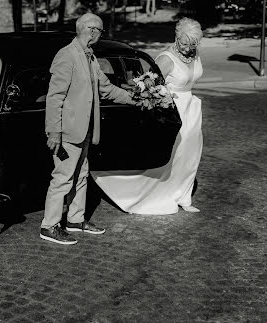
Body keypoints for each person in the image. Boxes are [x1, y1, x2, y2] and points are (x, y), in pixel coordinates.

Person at [92, 17, 204, 215]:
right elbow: (149, 85)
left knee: (190, 156)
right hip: (174, 111)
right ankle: (151, 193)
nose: (187, 48)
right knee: (173, 157)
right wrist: (163, 99)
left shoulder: (194, 54)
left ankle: (184, 196)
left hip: (192, 112)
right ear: (176, 37)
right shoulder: (166, 59)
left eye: (192, 44)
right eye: (183, 43)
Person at [40, 13, 135, 245]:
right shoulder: (66, 55)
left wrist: (136, 98)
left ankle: (74, 220)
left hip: (85, 130)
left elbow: (106, 88)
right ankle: (49, 225)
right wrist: (54, 131)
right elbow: (55, 97)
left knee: (81, 176)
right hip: (68, 131)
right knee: (62, 177)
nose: (101, 35)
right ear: (91, 31)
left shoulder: (90, 57)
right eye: (101, 31)